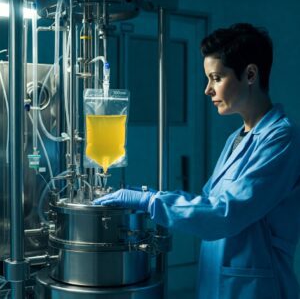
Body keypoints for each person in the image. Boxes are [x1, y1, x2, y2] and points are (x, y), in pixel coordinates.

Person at [94, 23, 300, 299]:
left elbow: (224, 213)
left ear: (250, 74)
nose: (207, 90)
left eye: (216, 78)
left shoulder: (281, 138)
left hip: (255, 287)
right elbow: (206, 203)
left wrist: (151, 202)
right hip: (217, 280)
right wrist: (150, 195)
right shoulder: (237, 138)